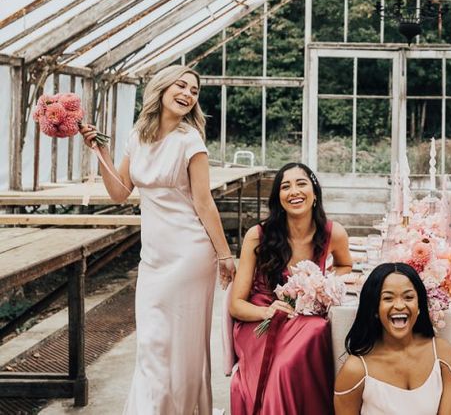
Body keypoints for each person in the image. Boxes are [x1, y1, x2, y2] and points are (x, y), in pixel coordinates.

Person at [80, 64, 234, 414]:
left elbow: (203, 201)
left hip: (189, 254)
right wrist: (98, 152)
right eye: (181, 86)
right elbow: (120, 193)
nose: (188, 94)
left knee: (180, 342)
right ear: (162, 90)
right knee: (152, 340)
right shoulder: (138, 137)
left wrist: (224, 255)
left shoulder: (189, 140)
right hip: (154, 256)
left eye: (194, 90)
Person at [229, 162, 352, 415]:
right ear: (278, 199)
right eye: (285, 187)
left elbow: (345, 265)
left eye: (301, 183)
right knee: (282, 366)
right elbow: (235, 304)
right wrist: (267, 313)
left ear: (315, 193)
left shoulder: (333, 233)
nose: (294, 191)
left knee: (317, 329)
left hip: (304, 318)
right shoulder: (258, 235)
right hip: (259, 321)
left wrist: (321, 281)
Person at [334, 262, 451, 415]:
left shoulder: (442, 354)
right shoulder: (355, 370)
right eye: (388, 298)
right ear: (374, 308)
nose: (400, 305)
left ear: (419, 305)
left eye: (408, 297)